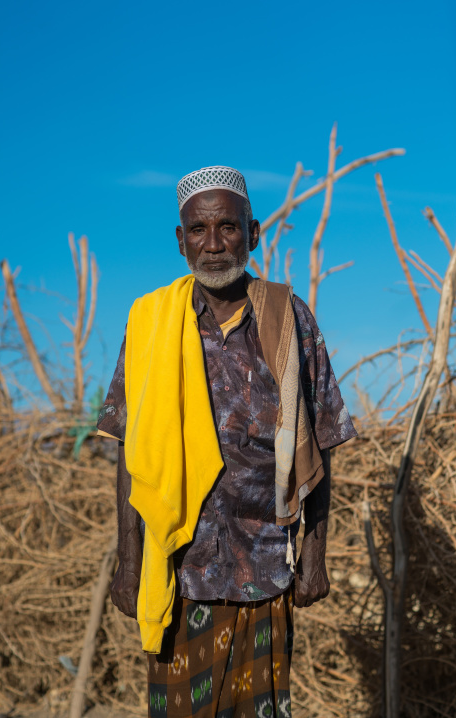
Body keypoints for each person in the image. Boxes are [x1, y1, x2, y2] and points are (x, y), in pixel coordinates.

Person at [97, 166, 357, 718]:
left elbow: (322, 441)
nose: (213, 245)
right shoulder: (151, 323)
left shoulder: (288, 318)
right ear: (180, 239)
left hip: (265, 570)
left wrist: (315, 556)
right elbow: (128, 449)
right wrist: (128, 559)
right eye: (198, 230)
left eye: (228, 228)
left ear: (254, 232)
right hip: (180, 568)